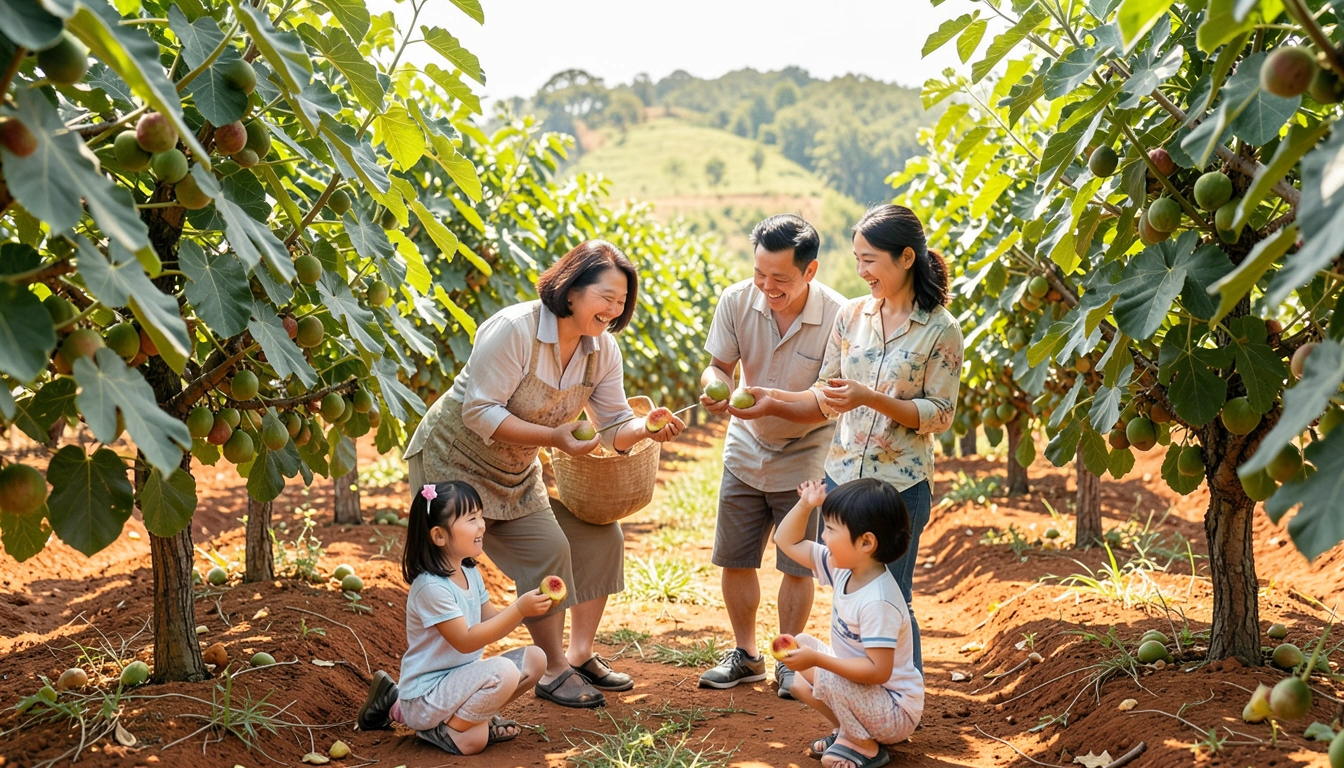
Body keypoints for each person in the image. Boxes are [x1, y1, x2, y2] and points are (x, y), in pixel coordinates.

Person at [402, 241, 686, 708]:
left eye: (622, 302)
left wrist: (646, 428)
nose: (615, 310)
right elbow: (479, 411)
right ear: (571, 290)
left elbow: (614, 425)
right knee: (465, 572)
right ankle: (544, 672)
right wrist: (553, 438)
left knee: (594, 539)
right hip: (452, 463)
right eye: (607, 297)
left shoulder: (602, 349)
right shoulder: (516, 329)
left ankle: (576, 655)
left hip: (515, 470)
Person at [739, 204, 963, 674]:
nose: (861, 271)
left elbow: (940, 415)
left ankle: (901, 701)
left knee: (891, 599)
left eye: (870, 260)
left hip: (899, 486)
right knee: (847, 595)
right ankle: (855, 702)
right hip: (843, 476)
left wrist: (871, 398)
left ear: (906, 258)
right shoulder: (852, 315)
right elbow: (828, 392)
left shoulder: (941, 328)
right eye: (857, 259)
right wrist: (773, 398)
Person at [695, 214, 845, 698]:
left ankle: (788, 660)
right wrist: (715, 386)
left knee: (797, 562)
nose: (767, 286)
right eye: (760, 273)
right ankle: (747, 655)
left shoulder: (839, 317)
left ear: (810, 271)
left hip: (807, 449)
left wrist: (773, 402)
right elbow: (718, 366)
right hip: (745, 443)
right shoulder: (737, 300)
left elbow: (826, 402)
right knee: (736, 557)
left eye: (780, 278)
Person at [356, 481, 550, 755]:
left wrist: (528, 609)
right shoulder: (431, 588)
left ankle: (471, 718)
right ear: (439, 536)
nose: (482, 525)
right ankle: (437, 725)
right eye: (472, 519)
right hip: (426, 696)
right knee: (475, 738)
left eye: (480, 516)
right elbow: (466, 641)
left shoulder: (469, 572)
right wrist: (519, 609)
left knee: (536, 659)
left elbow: (490, 619)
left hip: (456, 684)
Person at [775, 478, 922, 768]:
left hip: (894, 713)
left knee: (821, 671)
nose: (823, 536)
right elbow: (786, 541)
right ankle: (849, 731)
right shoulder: (844, 568)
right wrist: (805, 504)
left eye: (830, 529)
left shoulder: (878, 602)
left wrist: (818, 660)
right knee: (800, 674)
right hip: (868, 698)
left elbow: (878, 671)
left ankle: (865, 746)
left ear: (866, 542)